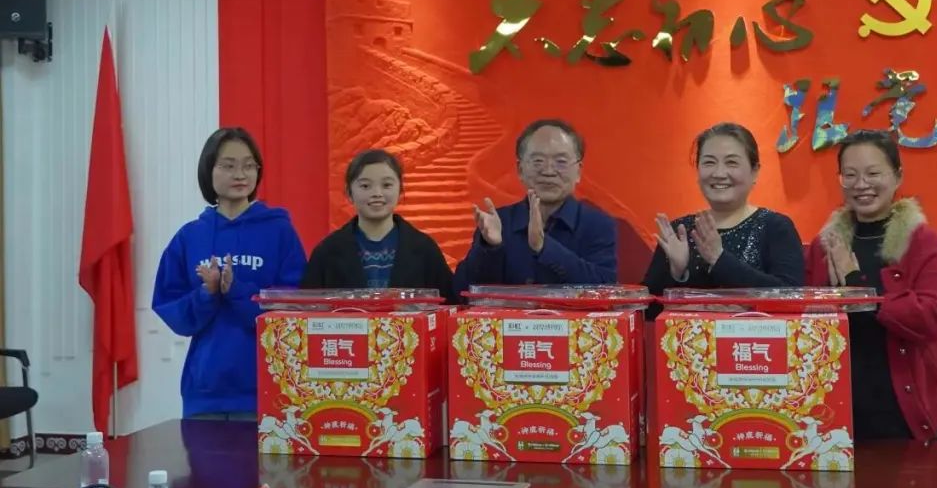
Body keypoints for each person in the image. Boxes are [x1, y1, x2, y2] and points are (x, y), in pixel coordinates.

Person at [805, 130, 937, 441]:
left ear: (897, 176)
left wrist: (856, 283)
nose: (861, 184)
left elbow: (933, 318)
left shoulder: (922, 241)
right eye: (850, 175)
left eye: (873, 173)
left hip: (902, 412)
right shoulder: (824, 245)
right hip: (835, 410)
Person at [152, 128, 307, 420]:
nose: (240, 174)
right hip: (205, 392)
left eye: (249, 165)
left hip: (269, 387)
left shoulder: (280, 232)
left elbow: (294, 307)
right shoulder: (189, 237)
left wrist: (237, 291)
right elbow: (172, 309)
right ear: (208, 170)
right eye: (228, 165)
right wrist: (207, 293)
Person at [643, 123, 804, 306]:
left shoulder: (776, 228)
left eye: (731, 162)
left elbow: (792, 299)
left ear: (754, 172)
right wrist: (677, 273)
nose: (719, 173)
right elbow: (647, 310)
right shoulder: (680, 232)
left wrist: (720, 259)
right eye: (709, 162)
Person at [453, 119, 617, 291]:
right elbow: (460, 292)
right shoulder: (498, 222)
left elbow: (605, 289)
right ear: (520, 169)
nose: (548, 171)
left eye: (561, 162)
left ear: (578, 171)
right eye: (538, 161)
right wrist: (489, 248)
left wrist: (544, 247)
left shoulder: (598, 225)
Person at [301, 149, 454, 301]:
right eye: (365, 186)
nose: (377, 193)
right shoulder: (327, 252)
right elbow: (308, 307)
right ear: (349, 192)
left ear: (400, 190)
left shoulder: (424, 249)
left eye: (386, 185)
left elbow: (449, 303)